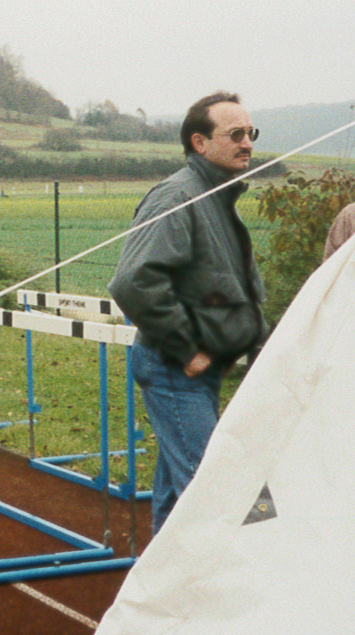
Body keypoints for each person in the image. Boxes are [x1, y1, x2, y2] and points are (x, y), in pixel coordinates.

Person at [110, 91, 269, 535]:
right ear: (200, 143)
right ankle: (246, 568)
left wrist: (254, 343)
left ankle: (160, 575)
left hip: (203, 369)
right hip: (175, 368)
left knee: (176, 493)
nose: (247, 143)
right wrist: (187, 348)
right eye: (235, 134)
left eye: (251, 133)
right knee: (224, 490)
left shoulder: (217, 196)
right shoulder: (177, 197)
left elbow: (230, 285)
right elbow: (133, 282)